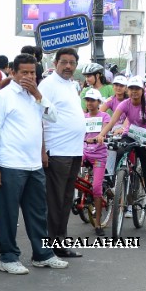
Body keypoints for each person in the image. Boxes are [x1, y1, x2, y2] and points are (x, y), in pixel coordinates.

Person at [0, 53, 67, 275]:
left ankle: (42, 254)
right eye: (25, 72)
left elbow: (53, 117)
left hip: (34, 165)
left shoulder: (35, 96)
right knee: (8, 213)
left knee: (38, 212)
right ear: (13, 72)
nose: (29, 77)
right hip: (10, 164)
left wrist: (38, 94)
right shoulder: (3, 97)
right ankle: (8, 257)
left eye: (32, 72)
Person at [38, 47, 86, 258]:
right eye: (64, 62)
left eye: (72, 63)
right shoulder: (48, 85)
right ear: (55, 63)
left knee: (66, 199)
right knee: (54, 200)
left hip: (74, 150)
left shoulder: (72, 85)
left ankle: (60, 243)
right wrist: (43, 150)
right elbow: (38, 116)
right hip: (56, 150)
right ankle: (48, 246)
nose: (68, 66)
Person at [100, 77, 146, 232]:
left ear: (142, 90)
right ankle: (116, 182)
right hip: (130, 135)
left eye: (137, 89)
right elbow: (112, 122)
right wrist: (101, 135)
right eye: (132, 89)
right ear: (128, 90)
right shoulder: (124, 104)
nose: (134, 92)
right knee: (119, 149)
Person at [80, 89, 111, 235]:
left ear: (99, 102)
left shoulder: (104, 116)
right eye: (87, 100)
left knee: (97, 188)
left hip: (99, 155)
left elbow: (106, 129)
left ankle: (98, 223)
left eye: (92, 100)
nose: (89, 103)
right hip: (84, 152)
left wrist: (100, 136)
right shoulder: (83, 116)